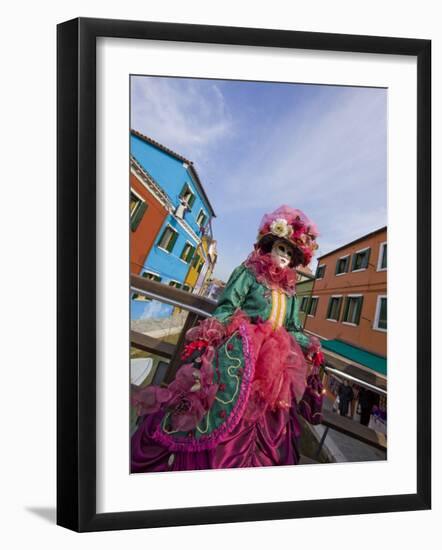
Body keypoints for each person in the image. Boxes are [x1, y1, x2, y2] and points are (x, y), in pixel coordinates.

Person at [131, 205, 325, 472]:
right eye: (281, 248)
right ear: (271, 246)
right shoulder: (249, 274)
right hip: (242, 352)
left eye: (290, 252)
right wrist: (211, 331)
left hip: (277, 365)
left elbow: (291, 328)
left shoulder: (290, 292)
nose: (284, 256)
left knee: (270, 419)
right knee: (217, 406)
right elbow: (226, 307)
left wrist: (310, 344)